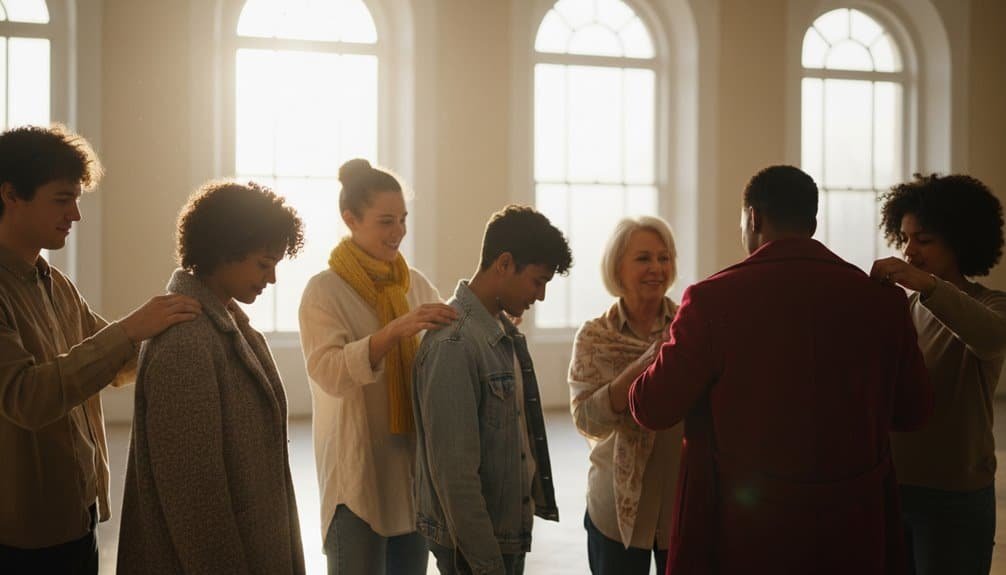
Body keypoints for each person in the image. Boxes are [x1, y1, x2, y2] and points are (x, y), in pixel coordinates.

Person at [629, 165, 933, 575]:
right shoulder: (881, 301)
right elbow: (912, 412)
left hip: (743, 530)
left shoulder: (711, 300)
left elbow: (652, 407)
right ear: (812, 220)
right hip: (851, 526)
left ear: (753, 217)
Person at [0, 124, 201, 574]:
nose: (75, 214)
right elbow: (27, 397)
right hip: (21, 537)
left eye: (77, 199)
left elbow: (115, 363)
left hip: (78, 517)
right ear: (11, 195)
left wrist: (190, 323)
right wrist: (132, 328)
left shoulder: (54, 283)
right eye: (61, 199)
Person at [116, 181, 306, 574]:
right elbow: (194, 500)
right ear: (225, 250)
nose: (271, 280)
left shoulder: (223, 322)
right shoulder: (186, 340)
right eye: (263, 264)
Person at [298, 159, 457, 575]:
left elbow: (447, 356)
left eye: (403, 219)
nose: (399, 232)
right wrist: (394, 331)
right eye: (386, 221)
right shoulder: (324, 290)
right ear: (349, 219)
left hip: (411, 473)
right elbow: (329, 373)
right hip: (357, 476)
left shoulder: (415, 284)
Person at [413, 205, 571, 575]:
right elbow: (456, 476)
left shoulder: (502, 333)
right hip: (473, 547)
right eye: (537, 281)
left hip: (502, 534)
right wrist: (487, 565)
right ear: (503, 263)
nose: (541, 296)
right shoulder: (453, 344)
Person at [871, 173, 1006, 575]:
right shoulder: (907, 308)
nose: (910, 251)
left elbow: (989, 336)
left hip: (955, 499)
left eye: (923, 240)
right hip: (894, 490)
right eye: (906, 238)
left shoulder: (992, 305)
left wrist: (927, 286)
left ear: (959, 241)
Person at [568, 216, 682, 575]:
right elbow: (588, 420)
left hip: (680, 511)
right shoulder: (594, 337)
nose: (656, 268)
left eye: (664, 258)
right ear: (618, 266)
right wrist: (645, 365)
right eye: (643, 258)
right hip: (613, 513)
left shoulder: (689, 327)